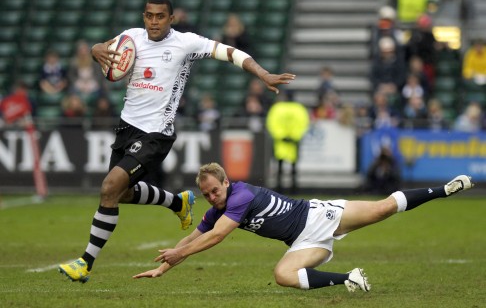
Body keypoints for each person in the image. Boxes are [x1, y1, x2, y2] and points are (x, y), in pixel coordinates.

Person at [58, 0, 295, 283]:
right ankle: (177, 203)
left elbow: (231, 52)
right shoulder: (131, 37)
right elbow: (102, 47)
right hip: (126, 127)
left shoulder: (186, 43)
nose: (153, 21)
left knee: (109, 187)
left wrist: (263, 74)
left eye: (160, 16)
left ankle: (85, 263)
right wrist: (97, 49)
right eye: (149, 15)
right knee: (119, 193)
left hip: (156, 133)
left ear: (172, 19)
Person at [133, 162, 474, 293]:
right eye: (207, 194)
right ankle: (350, 278)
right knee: (284, 276)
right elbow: (195, 236)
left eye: (214, 190)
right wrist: (165, 266)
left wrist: (178, 254)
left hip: (317, 216)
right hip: (303, 242)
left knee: (384, 209)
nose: (211, 197)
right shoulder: (218, 206)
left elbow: (218, 236)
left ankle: (444, 189)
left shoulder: (240, 195)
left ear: (226, 181)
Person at [266, 92, 309, 194]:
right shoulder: (299, 108)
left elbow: (272, 122)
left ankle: (279, 189)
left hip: (280, 142)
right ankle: (294, 189)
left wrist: (280, 135)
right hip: (294, 142)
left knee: (279, 166)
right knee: (294, 167)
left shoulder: (277, 108)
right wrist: (295, 136)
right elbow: (304, 122)